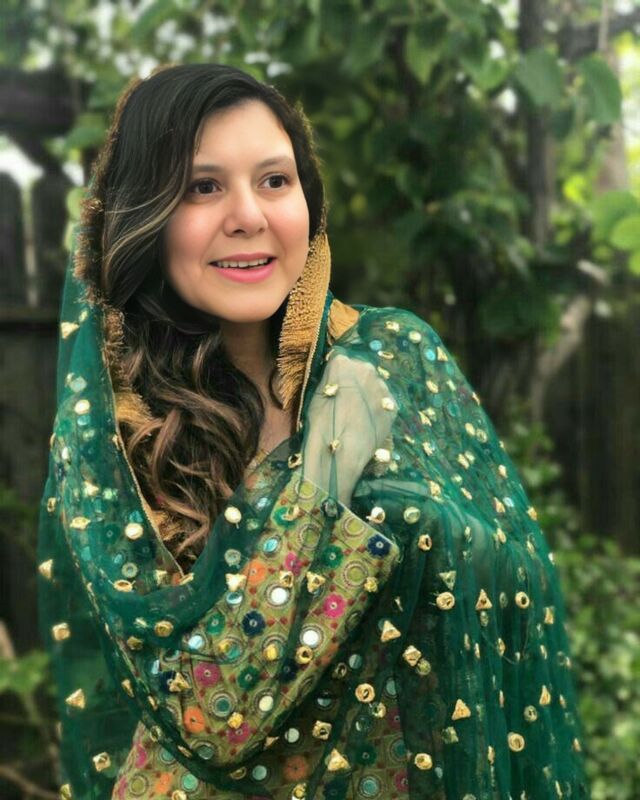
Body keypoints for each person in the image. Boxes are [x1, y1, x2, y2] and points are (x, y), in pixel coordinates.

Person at [37, 63, 590, 800]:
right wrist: (322, 486)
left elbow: (517, 587)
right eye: (203, 187)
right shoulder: (117, 431)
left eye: (275, 180)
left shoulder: (389, 359)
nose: (249, 215)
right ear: (145, 216)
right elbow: (204, 716)